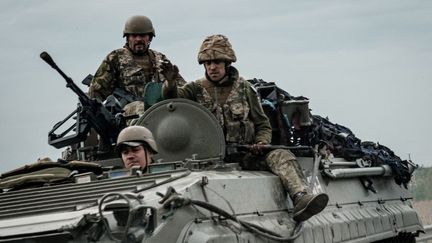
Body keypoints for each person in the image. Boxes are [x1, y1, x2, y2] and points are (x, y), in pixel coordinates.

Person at [162, 34, 328, 222]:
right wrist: (170, 83)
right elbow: (172, 102)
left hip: (245, 155)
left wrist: (261, 142)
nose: (212, 67)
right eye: (207, 63)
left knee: (281, 155)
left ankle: (300, 197)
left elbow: (262, 124)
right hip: (207, 159)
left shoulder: (244, 88)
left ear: (227, 62)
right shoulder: (195, 89)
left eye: (217, 62)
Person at [88, 15, 186, 112]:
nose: (138, 39)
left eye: (143, 35)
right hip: (128, 116)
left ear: (150, 38)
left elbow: (182, 89)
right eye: (134, 36)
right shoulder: (116, 58)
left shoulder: (160, 59)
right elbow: (96, 92)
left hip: (160, 112)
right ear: (128, 38)